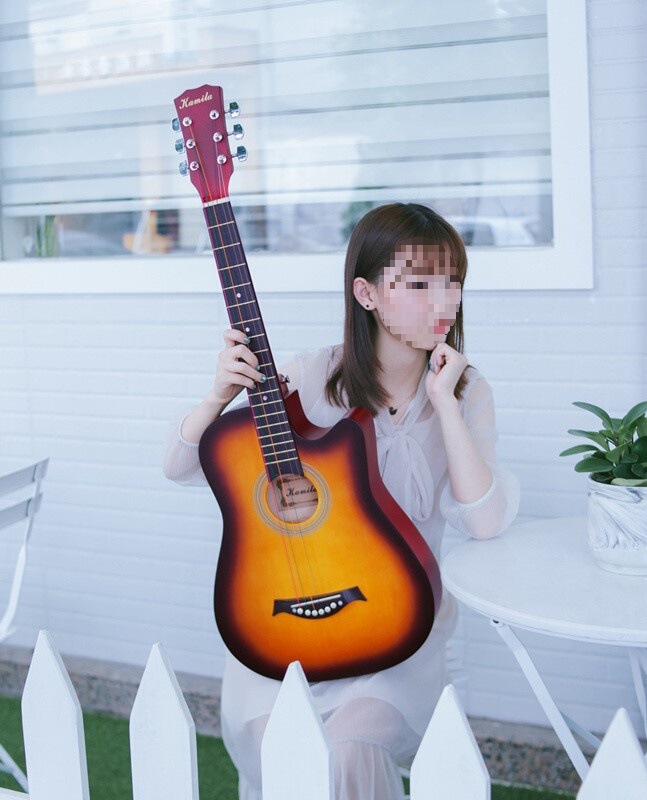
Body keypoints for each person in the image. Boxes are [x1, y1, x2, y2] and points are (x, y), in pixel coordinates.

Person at [163, 202, 520, 800]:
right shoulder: (310, 379)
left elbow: (483, 521)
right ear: (367, 293)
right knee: (288, 750)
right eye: (418, 284)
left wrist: (445, 403)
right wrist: (216, 396)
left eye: (452, 281)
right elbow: (179, 468)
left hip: (393, 633)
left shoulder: (466, 391)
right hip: (286, 631)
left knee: (353, 748)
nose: (442, 300)